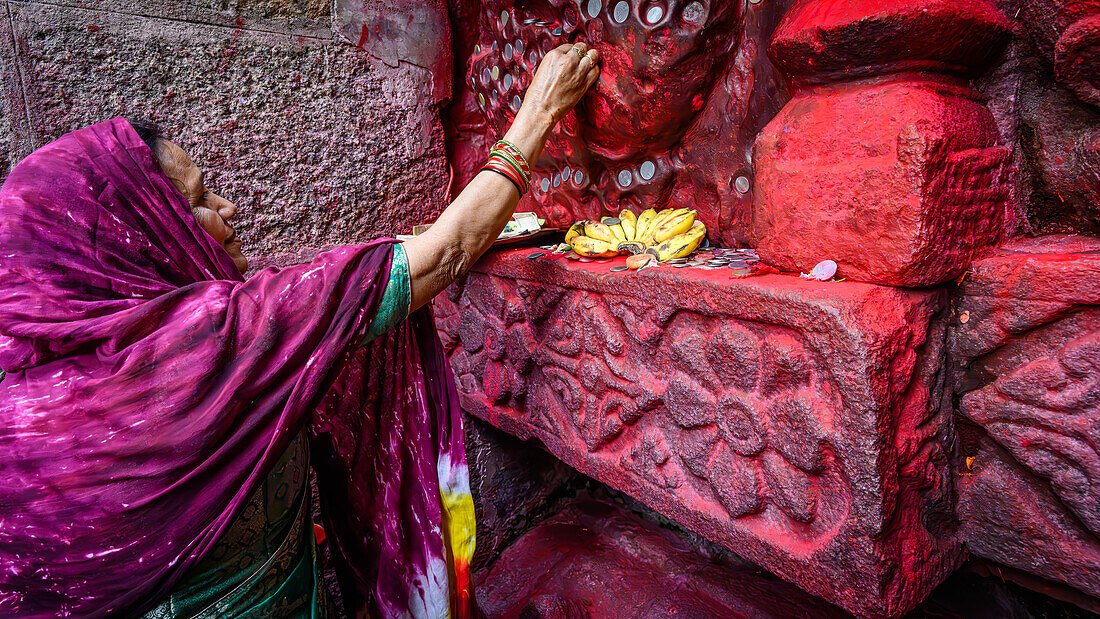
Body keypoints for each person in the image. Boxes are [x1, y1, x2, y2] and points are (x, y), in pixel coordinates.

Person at [0, 41, 599, 618]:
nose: (227, 210)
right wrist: (539, 113)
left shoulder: (20, 410)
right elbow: (441, 255)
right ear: (140, 235)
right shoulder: (213, 341)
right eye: (199, 199)